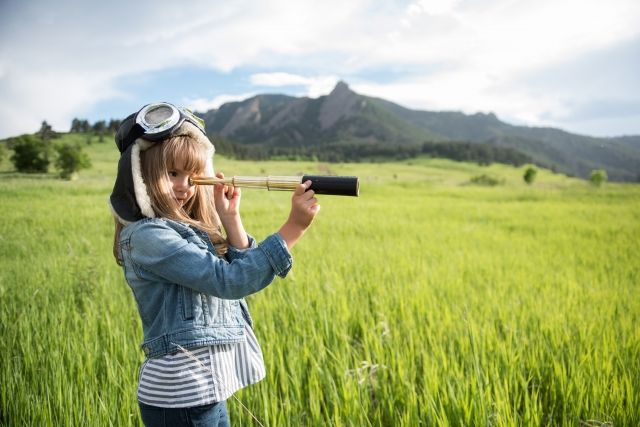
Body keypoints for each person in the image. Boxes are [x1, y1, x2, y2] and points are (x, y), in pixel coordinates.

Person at [109, 102, 319, 426]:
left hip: (207, 392)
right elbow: (230, 281)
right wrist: (294, 228)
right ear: (139, 176)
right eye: (172, 173)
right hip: (183, 397)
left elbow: (236, 281)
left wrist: (230, 219)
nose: (184, 186)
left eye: (193, 176)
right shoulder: (149, 237)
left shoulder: (187, 230)